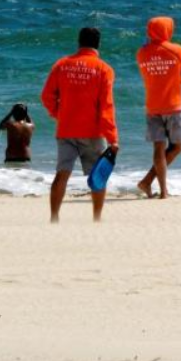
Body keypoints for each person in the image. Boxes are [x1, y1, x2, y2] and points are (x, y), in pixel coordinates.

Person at [40, 27, 119, 223]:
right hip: (92, 132)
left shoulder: (62, 65)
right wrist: (112, 138)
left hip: (66, 129)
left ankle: (54, 218)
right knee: (97, 178)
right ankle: (97, 219)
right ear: (98, 44)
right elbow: (106, 107)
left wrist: (59, 114)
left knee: (62, 174)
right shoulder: (104, 69)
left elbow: (47, 96)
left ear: (79, 42)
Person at [135, 16, 181, 199]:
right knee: (176, 147)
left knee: (158, 149)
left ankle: (161, 191)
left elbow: (151, 77)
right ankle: (151, 185)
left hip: (153, 106)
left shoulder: (141, 53)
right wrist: (175, 82)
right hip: (173, 105)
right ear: (167, 30)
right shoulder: (177, 50)